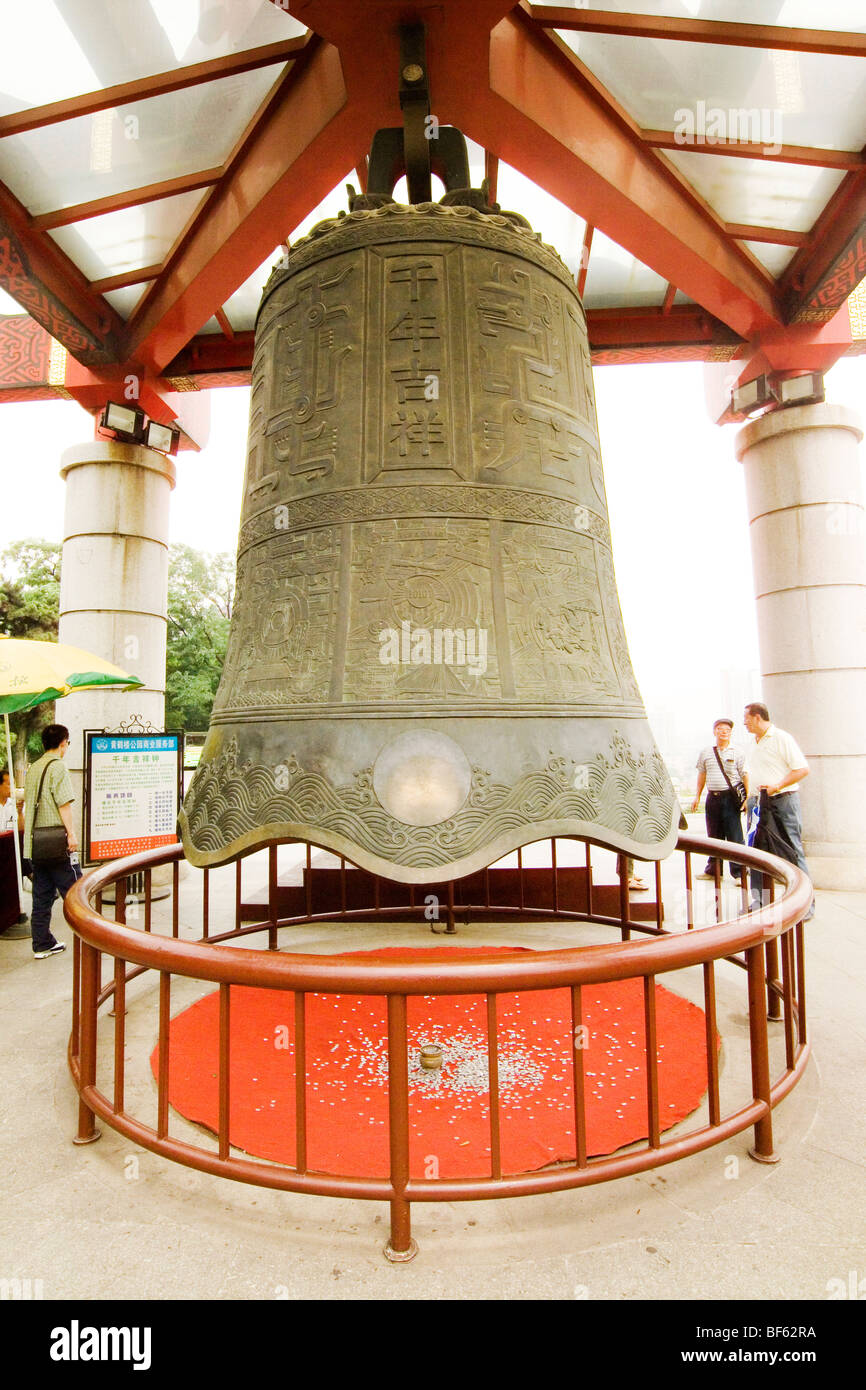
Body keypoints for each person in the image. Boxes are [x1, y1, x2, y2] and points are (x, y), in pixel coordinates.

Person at [742, 702, 814, 920]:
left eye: (746, 718)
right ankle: (760, 902)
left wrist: (777, 786)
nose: (744, 722)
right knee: (755, 851)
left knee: (791, 850)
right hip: (757, 804)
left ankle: (804, 906)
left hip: (781, 802)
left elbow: (802, 769)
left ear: (757, 717)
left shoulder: (781, 738)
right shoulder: (753, 742)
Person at [23, 725, 82, 959]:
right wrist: (72, 834)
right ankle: (93, 937)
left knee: (42, 895)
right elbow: (63, 804)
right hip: (57, 843)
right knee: (77, 891)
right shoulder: (58, 767)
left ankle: (42, 943)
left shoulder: (34, 768)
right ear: (63, 743)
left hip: (36, 843)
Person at [691, 719, 746, 880]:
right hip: (712, 798)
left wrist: (746, 798)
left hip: (730, 798)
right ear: (714, 731)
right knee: (714, 834)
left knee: (734, 835)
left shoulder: (737, 752)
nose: (724, 732)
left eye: (727, 730)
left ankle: (739, 874)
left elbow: (745, 775)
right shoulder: (706, 752)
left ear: (730, 733)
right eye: (720, 729)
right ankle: (713, 871)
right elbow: (702, 774)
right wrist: (697, 796)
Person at [0, 766, 30, 938]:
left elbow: (21, 830)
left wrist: (19, 812)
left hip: (11, 851)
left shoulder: (13, 805)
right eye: (8, 784)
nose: (11, 788)